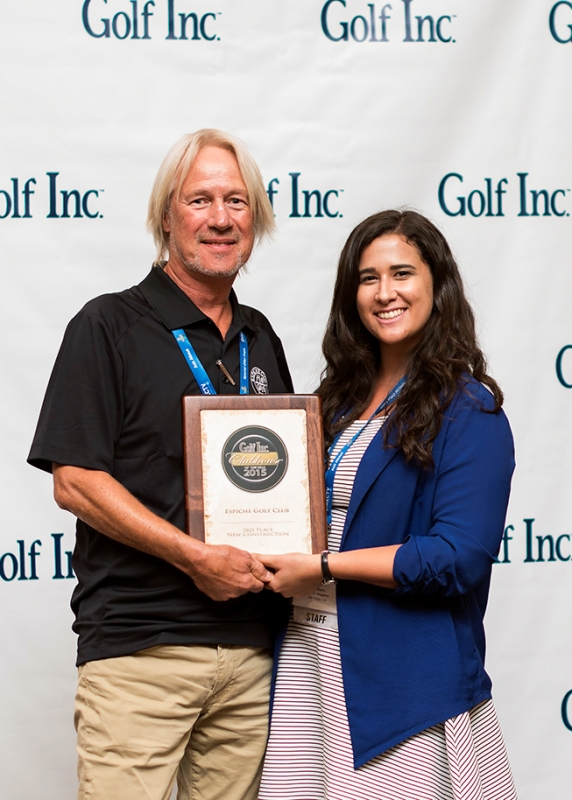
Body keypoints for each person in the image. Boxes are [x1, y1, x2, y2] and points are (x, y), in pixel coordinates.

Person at [27, 129, 293, 800]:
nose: (221, 218)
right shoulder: (107, 326)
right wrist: (194, 558)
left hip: (253, 655)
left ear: (255, 219)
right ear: (166, 217)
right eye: (200, 200)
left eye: (236, 201)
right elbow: (75, 482)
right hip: (140, 649)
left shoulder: (260, 337)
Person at [258, 210, 518, 800]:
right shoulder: (333, 402)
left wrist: (324, 567)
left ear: (437, 284)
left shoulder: (469, 410)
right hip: (308, 662)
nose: (384, 293)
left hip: (402, 692)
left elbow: (457, 557)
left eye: (402, 273)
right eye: (367, 278)